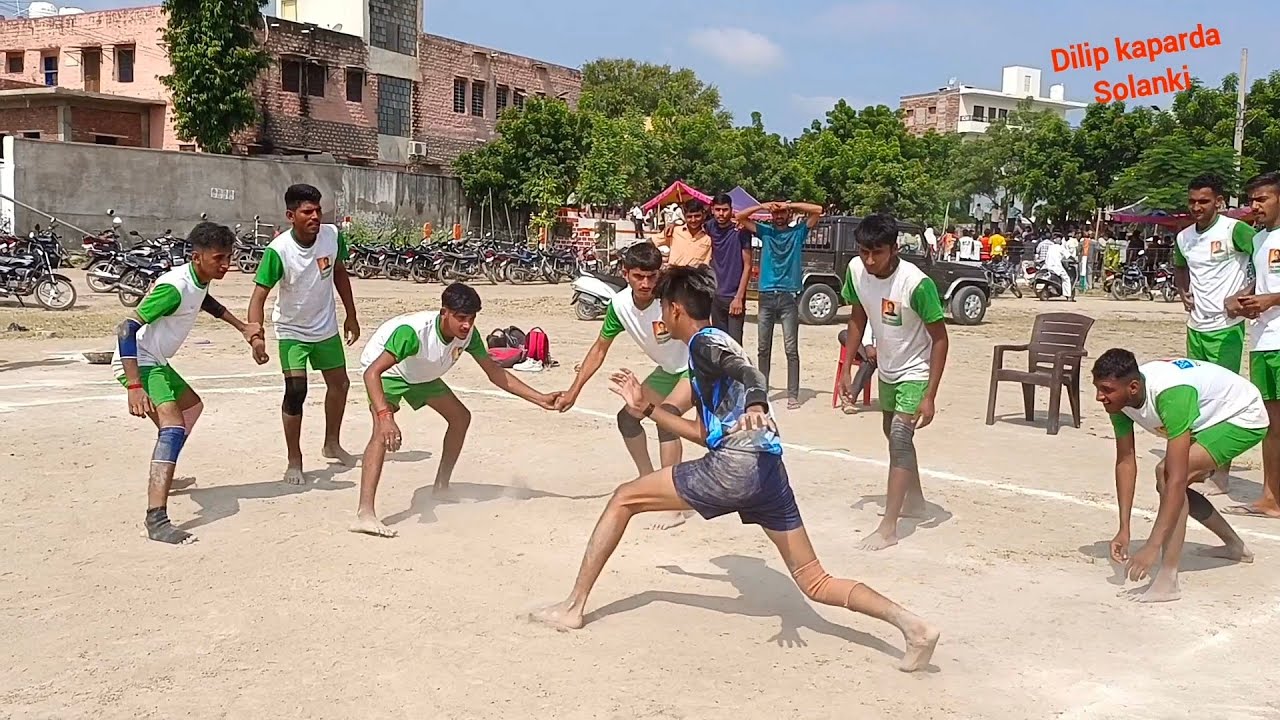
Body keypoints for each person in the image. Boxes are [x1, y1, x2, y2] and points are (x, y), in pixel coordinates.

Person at [530, 265, 940, 672]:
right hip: (766, 471)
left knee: (623, 498)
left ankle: (573, 607)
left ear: (674, 310)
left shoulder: (707, 344)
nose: (659, 317)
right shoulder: (711, 350)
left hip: (735, 468)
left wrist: (757, 401)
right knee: (815, 582)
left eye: (662, 309)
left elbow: (749, 374)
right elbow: (700, 431)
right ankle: (914, 627)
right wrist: (648, 408)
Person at [351, 283, 561, 537]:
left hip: (422, 373)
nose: (466, 325)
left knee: (460, 417)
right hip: (390, 373)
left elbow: (495, 373)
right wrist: (385, 416)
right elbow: (372, 372)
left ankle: (441, 487)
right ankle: (365, 514)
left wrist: (540, 399)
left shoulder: (469, 335)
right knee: (380, 434)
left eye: (471, 319)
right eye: (461, 318)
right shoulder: (413, 334)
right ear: (444, 313)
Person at [113, 222, 263, 545]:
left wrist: (242, 327)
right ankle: (156, 519)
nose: (226, 265)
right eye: (219, 258)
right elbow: (126, 328)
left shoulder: (198, 280)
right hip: (140, 362)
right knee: (173, 427)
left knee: (192, 408)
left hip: (156, 361)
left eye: (229, 257)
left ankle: (164, 471)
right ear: (197, 257)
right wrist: (134, 386)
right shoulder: (175, 287)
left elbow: (207, 303)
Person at [1092, 349, 1262, 603]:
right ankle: (1235, 547)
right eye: (1097, 388)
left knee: (1169, 474)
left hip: (1243, 416)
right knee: (1170, 477)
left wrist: (1152, 546)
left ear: (1134, 387)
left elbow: (1178, 479)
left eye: (1106, 389)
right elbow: (1126, 461)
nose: (1099, 397)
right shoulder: (1119, 399)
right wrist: (1123, 529)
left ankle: (1168, 579)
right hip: (1208, 417)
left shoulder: (1171, 396)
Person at [556, 242, 696, 530]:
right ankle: (649, 482)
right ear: (625, 273)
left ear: (660, 274)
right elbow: (599, 349)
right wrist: (574, 390)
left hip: (695, 366)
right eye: (638, 276)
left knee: (665, 417)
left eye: (652, 276)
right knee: (627, 418)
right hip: (668, 370)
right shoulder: (619, 306)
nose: (646, 283)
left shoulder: (673, 299)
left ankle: (674, 503)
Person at [839, 213, 949, 551]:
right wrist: (847, 367)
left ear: (894, 248)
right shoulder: (857, 272)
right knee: (892, 434)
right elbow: (857, 317)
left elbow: (941, 340)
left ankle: (888, 527)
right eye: (864, 252)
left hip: (915, 370)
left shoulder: (916, 285)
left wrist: (930, 395)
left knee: (900, 437)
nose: (870, 260)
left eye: (878, 252)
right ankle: (914, 501)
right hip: (887, 367)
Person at [248, 184, 360, 485]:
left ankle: (331, 443)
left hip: (325, 328)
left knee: (341, 384)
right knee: (296, 392)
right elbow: (258, 296)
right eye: (307, 212)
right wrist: (256, 335)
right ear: (291, 215)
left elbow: (339, 272)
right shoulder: (279, 251)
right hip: (292, 331)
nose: (315, 217)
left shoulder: (332, 236)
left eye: (318, 211)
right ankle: (294, 460)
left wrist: (351, 314)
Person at [1174, 174, 1257, 495]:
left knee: (1224, 400)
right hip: (1196, 327)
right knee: (1197, 397)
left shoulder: (1235, 230)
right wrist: (1183, 291)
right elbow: (1180, 266)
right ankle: (1201, 464)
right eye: (1192, 201)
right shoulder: (1184, 238)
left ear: (1218, 202)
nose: (1197, 207)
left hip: (1227, 329)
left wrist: (1246, 294)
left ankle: (1221, 474)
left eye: (1204, 201)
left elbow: (1263, 257)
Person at [1225, 172, 1280, 519]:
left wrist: (1271, 299)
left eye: (1262, 199)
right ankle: (1271, 497)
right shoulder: (1260, 241)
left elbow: (1271, 292)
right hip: (1263, 341)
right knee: (1271, 425)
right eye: (1252, 200)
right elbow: (1258, 286)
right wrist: (1241, 301)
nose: (1254, 206)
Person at [735, 199, 823, 410]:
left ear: (789, 215)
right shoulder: (765, 232)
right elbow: (740, 217)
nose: (780, 216)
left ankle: (793, 394)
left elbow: (818, 210)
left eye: (783, 213)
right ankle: (762, 391)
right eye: (777, 214)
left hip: (788, 297)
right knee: (763, 348)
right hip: (766, 295)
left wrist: (791, 205)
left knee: (791, 349)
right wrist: (765, 206)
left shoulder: (797, 232)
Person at [706, 192, 753, 343]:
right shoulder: (709, 227)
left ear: (731, 210)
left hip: (734, 296)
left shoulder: (741, 231)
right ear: (712, 209)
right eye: (718, 209)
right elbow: (689, 224)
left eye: (725, 209)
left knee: (734, 345)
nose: (721, 213)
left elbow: (748, 265)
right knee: (719, 343)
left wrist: (739, 297)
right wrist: (674, 225)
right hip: (715, 296)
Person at [654, 199, 712, 268]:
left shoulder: (707, 238)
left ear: (704, 215)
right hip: (674, 276)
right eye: (689, 217)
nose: (693, 220)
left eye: (697, 216)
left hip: (694, 277)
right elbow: (652, 242)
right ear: (684, 216)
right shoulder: (674, 231)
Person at [1043, 236, 1075, 301]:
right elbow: (1068, 256)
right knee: (1066, 278)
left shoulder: (1050, 247)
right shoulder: (1060, 248)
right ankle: (1068, 295)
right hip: (1056, 267)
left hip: (1048, 266)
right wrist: (1074, 260)